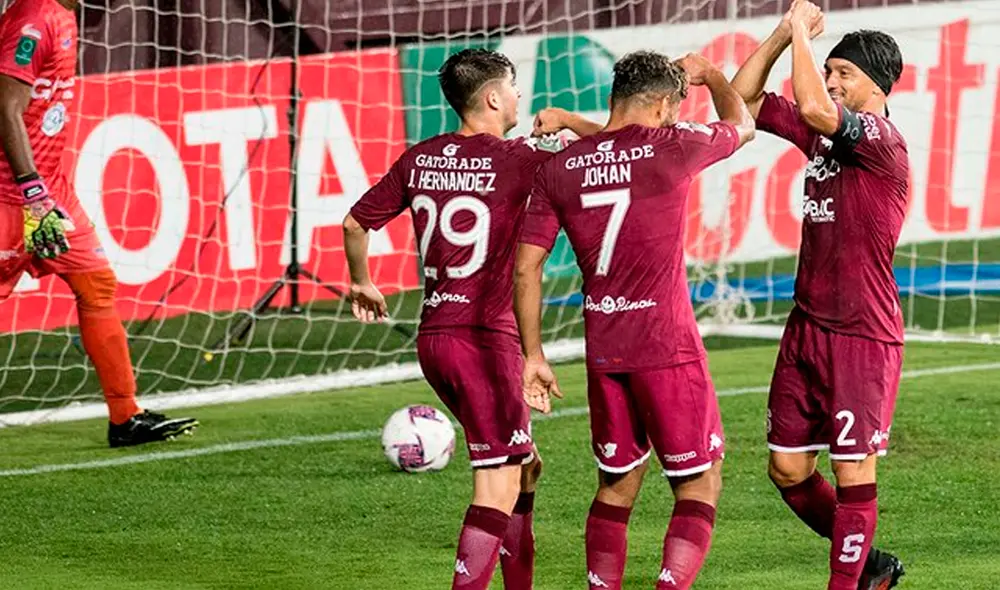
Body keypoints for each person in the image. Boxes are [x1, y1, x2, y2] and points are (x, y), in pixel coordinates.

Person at [343, 48, 601, 589]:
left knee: (526, 468)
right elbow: (610, 146)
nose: (519, 97)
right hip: (485, 341)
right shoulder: (520, 159)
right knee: (497, 484)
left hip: (435, 338)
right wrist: (569, 122)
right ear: (491, 97)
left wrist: (362, 281)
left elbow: (353, 223)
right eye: (512, 88)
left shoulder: (421, 157)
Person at [514, 50, 754, 589]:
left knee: (617, 483)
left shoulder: (558, 168)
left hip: (603, 347)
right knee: (698, 483)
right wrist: (714, 75)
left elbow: (526, 269)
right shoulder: (676, 146)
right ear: (667, 104)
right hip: (666, 346)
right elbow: (744, 124)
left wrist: (533, 355)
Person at [731, 1, 908, 587]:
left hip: (862, 332)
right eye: (828, 71)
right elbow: (741, 102)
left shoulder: (881, 140)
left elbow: (811, 104)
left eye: (844, 74)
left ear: (876, 85)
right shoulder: (827, 139)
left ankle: (847, 581)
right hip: (806, 326)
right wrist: (784, 33)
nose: (830, 82)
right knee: (786, 468)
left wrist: (804, 37)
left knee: (853, 469)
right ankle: (872, 565)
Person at [0, 0, 197, 447]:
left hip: (51, 192)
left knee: (97, 285)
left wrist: (42, 193)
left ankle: (126, 416)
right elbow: (4, 109)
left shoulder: (64, 15)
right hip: (13, 195)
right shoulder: (33, 17)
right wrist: (32, 193)